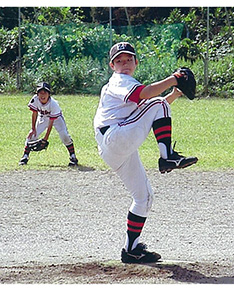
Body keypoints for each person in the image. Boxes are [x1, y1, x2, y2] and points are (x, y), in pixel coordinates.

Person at [93, 42, 198, 263]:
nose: (124, 64)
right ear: (112, 65)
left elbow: (152, 107)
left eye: (128, 59)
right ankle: (167, 156)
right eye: (119, 60)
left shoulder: (127, 85)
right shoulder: (119, 81)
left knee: (144, 197)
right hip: (115, 137)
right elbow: (149, 95)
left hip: (117, 146)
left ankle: (131, 249)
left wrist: (174, 93)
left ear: (136, 62)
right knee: (157, 104)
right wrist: (174, 78)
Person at [19, 82, 78, 166]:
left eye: (45, 92)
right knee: (31, 136)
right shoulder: (35, 100)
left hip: (57, 119)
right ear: (37, 94)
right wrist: (33, 129)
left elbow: (51, 122)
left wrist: (45, 138)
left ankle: (73, 157)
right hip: (42, 117)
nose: (43, 95)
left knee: (64, 135)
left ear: (49, 94)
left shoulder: (53, 104)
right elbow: (34, 113)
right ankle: (25, 156)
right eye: (40, 93)